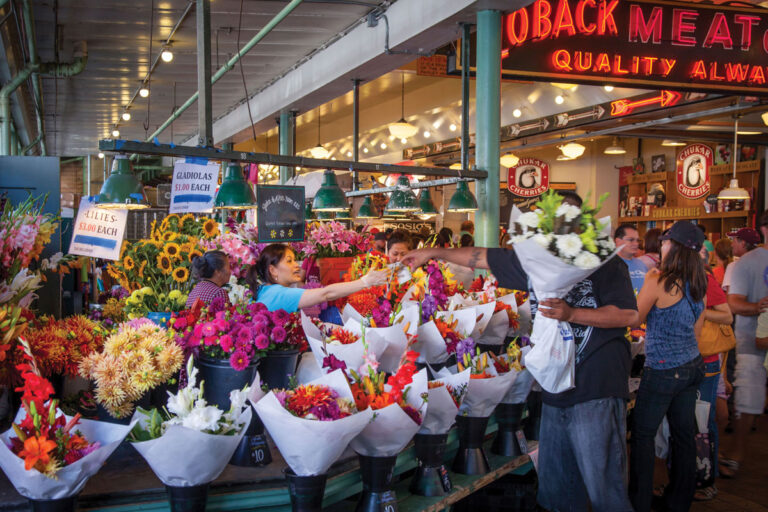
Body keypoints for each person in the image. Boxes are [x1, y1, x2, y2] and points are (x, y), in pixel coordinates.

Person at [401, 192, 638, 512]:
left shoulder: (604, 262)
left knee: (605, 490)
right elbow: (481, 257)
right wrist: (432, 252)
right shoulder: (536, 259)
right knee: (557, 491)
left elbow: (627, 316)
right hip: (555, 389)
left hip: (596, 387)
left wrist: (572, 314)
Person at [629, 220, 707, 512]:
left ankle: (640, 502)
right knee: (683, 435)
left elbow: (633, 319)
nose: (659, 246)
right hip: (692, 366)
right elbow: (697, 332)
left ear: (673, 246)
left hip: (663, 369)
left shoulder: (658, 280)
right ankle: (679, 502)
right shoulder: (700, 281)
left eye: (663, 241)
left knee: (643, 435)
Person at [721, 213, 768, 477]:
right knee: (749, 400)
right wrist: (757, 307)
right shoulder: (746, 264)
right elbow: (734, 302)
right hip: (752, 341)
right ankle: (736, 454)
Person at [247, 244, 388, 313]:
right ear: (272, 270)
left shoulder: (264, 290)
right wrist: (365, 281)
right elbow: (325, 294)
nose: (297, 265)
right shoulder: (279, 293)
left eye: (295, 260)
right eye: (289, 261)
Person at [694, 269, 733, 501]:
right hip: (684, 359)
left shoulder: (704, 278)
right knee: (691, 421)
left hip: (706, 358)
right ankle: (690, 477)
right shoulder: (665, 276)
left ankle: (707, 479)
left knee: (703, 420)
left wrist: (701, 311)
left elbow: (727, 316)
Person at [723, 228, 760, 293]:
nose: (732, 245)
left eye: (734, 241)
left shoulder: (734, 266)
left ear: (743, 243)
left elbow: (731, 298)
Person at [615, 224, 647, 294]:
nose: (636, 244)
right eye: (631, 240)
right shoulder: (610, 265)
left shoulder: (641, 264)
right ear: (618, 241)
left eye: (637, 240)